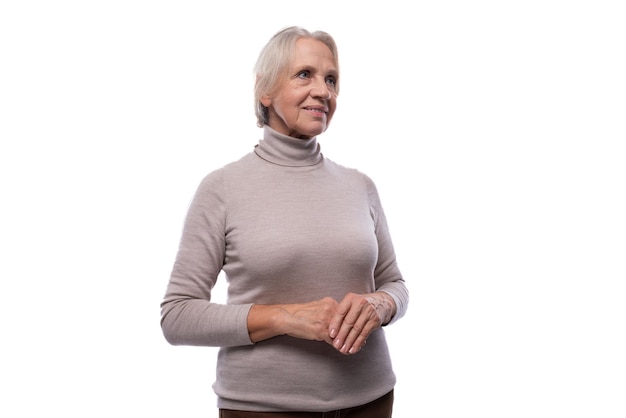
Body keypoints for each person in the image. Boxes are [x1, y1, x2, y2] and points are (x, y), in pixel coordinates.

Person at [160, 26, 409, 417]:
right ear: (265, 90)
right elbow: (177, 316)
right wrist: (283, 317)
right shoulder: (222, 188)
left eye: (331, 79)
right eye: (304, 75)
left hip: (371, 401)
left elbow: (395, 284)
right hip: (263, 408)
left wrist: (381, 304)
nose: (324, 91)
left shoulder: (360, 185)